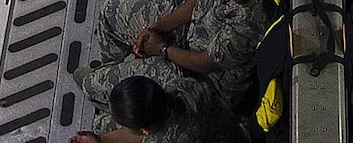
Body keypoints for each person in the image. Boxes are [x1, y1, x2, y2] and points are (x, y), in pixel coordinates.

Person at [78, 0, 272, 111]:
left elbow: (205, 63)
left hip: (202, 80)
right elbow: (201, 0)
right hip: (190, 34)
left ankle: (108, 92)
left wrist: (161, 48)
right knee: (110, 11)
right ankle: (112, 67)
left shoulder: (250, 19)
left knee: (94, 85)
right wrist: (154, 29)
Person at [69, 76, 237, 143]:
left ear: (145, 131)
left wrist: (102, 140)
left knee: (100, 124)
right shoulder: (181, 87)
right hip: (228, 128)